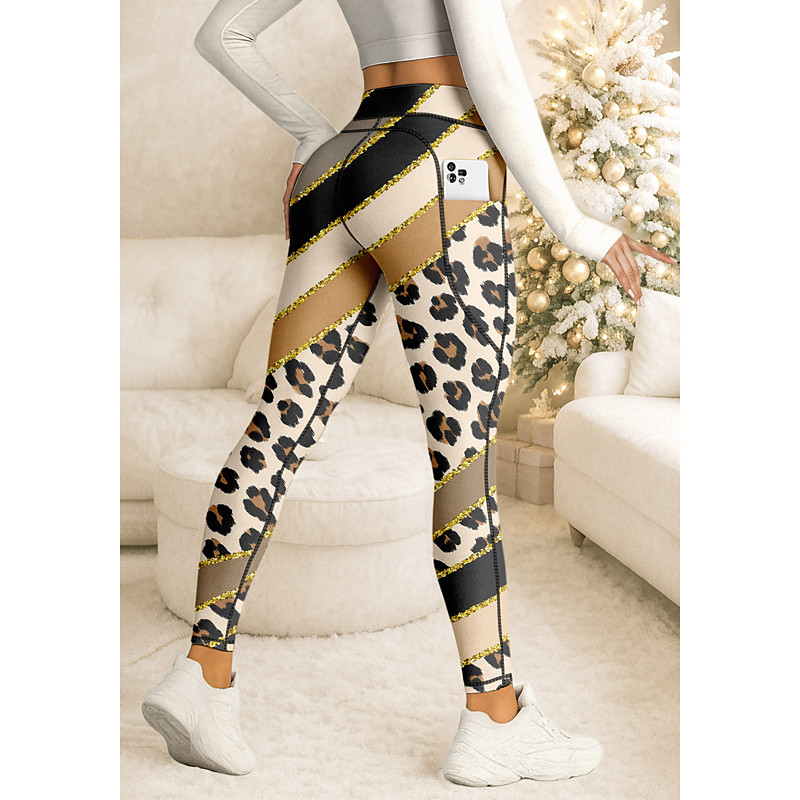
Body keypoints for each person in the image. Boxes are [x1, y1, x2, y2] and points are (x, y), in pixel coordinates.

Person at [141, 0, 676, 786]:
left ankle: (203, 672)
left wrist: (309, 132)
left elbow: (221, 34)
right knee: (463, 460)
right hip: (438, 162)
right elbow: (491, 72)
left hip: (341, 162)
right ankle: (494, 715)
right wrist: (577, 226)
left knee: (277, 427)